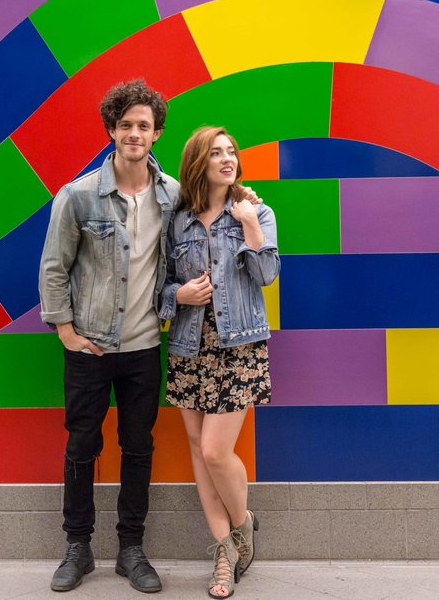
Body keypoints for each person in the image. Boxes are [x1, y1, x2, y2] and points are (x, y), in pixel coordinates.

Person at [39, 79, 176, 594]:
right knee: (82, 445)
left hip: (144, 348)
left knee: (137, 446)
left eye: (143, 125)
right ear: (112, 131)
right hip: (90, 347)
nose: (134, 133)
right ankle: (78, 547)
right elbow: (54, 269)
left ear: (157, 132)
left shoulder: (173, 197)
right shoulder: (77, 197)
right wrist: (68, 334)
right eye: (125, 125)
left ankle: (131, 549)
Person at [157, 127, 279, 599]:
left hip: (239, 347)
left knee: (214, 452)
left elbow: (267, 274)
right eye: (216, 153)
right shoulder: (178, 222)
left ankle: (244, 523)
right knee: (196, 450)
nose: (227, 159)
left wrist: (248, 224)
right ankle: (224, 554)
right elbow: (159, 286)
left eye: (231, 152)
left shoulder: (258, 211)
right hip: (189, 347)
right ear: (198, 163)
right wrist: (178, 295)